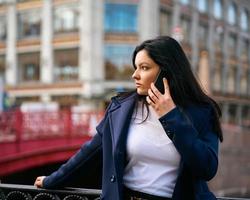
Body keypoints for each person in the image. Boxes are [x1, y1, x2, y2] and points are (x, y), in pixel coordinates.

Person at [34, 36, 223, 200]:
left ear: (166, 71)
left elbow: (207, 168)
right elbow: (89, 153)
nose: (135, 75)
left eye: (144, 67)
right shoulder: (121, 108)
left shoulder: (202, 112)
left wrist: (171, 116)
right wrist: (52, 180)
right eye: (136, 67)